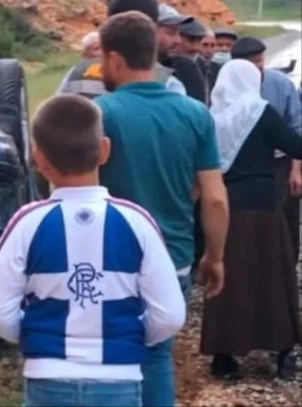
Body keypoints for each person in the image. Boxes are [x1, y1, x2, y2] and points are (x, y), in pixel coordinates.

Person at [0, 94, 186, 407]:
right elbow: (170, 315)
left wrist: (37, 337)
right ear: (104, 150)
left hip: (47, 378)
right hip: (119, 378)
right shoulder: (137, 222)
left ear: (38, 158)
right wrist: (129, 338)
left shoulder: (27, 223)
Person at [93, 11, 229, 406]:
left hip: (111, 260)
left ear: (114, 58)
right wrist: (214, 257)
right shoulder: (194, 113)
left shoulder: (101, 114)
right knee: (156, 356)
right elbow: (214, 196)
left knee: (109, 358)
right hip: (173, 259)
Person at [200, 59, 302, 380]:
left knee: (228, 279)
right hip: (264, 206)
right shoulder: (259, 111)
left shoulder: (212, 117)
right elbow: (294, 145)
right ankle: (282, 350)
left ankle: (224, 355)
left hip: (226, 206)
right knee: (273, 276)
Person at [232, 36, 302, 272]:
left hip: (279, 164)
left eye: (260, 61)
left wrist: (296, 170)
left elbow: (296, 129)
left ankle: (287, 270)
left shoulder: (280, 84)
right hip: (239, 169)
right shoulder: (227, 88)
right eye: (251, 63)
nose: (257, 68)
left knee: (286, 219)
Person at [55, 0, 187, 98]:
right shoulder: (167, 82)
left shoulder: (77, 73)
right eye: (171, 33)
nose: (178, 40)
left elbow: (54, 120)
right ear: (151, 30)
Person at [157, 4, 207, 103]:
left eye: (178, 33)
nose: (178, 40)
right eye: (171, 33)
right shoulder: (127, 71)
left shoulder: (185, 69)